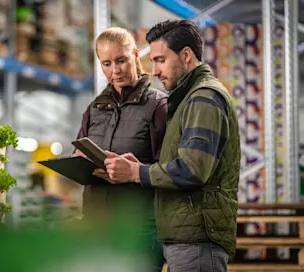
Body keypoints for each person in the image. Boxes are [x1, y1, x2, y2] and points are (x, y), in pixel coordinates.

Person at [102, 20, 241, 272]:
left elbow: (193, 169)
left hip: (197, 238)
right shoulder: (188, 98)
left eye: (160, 60)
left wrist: (137, 173)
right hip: (186, 236)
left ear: (186, 55)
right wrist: (140, 166)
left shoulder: (204, 98)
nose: (154, 70)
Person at [73, 27, 168, 271]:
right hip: (95, 224)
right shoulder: (94, 108)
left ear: (135, 55)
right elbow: (80, 147)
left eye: (121, 60)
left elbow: (170, 170)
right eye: (106, 63)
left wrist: (134, 172)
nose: (114, 71)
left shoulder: (158, 105)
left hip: (138, 226)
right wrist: (79, 162)